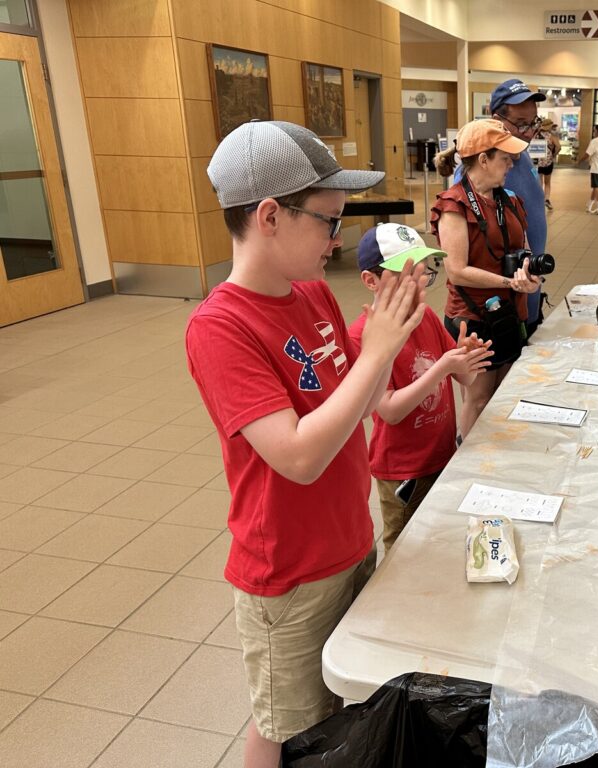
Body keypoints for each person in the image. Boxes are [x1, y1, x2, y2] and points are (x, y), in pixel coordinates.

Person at [185, 120, 426, 768]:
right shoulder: (219, 327)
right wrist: (375, 350)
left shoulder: (314, 294)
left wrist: (393, 339)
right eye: (326, 220)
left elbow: (355, 403)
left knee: (342, 708)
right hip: (287, 573)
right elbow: (296, 455)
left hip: (347, 542)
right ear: (269, 216)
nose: (338, 238)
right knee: (286, 724)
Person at [349, 224, 493, 552]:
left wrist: (466, 359)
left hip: (441, 455)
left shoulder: (425, 316)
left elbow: (465, 380)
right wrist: (444, 366)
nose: (418, 283)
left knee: (438, 540)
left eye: (424, 272)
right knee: (404, 549)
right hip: (403, 471)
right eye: (405, 274)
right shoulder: (362, 335)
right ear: (371, 281)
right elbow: (388, 410)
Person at [430, 119, 542, 437]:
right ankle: (468, 466)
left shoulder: (511, 201)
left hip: (510, 314)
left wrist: (530, 277)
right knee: (478, 400)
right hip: (474, 318)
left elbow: (526, 252)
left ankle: (496, 461)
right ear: (483, 159)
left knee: (504, 395)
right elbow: (457, 270)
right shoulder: (454, 205)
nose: (511, 164)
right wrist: (508, 283)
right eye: (504, 158)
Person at [489, 78, 549, 335]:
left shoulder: (520, 154)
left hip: (529, 290)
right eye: (521, 124)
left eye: (533, 122)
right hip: (501, 301)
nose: (529, 132)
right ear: (496, 119)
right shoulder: (482, 168)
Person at [537, 117, 560, 209]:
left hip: (538, 162)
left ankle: (538, 199)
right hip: (548, 162)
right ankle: (546, 199)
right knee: (547, 182)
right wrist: (554, 154)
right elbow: (558, 147)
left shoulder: (536, 135)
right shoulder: (551, 136)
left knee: (540, 182)